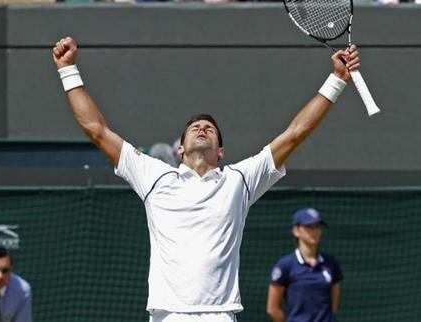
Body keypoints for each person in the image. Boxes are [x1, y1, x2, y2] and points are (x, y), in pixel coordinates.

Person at [52, 36, 359, 322]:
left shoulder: (239, 180)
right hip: (167, 314)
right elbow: (97, 130)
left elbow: (294, 134)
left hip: (220, 314)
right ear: (181, 147)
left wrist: (337, 80)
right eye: (196, 126)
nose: (203, 128)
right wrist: (68, 69)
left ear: (221, 151)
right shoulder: (155, 177)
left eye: (210, 128)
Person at [266, 208, 342, 322]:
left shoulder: (331, 263)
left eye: (317, 226)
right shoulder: (285, 265)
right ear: (296, 230)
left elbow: (333, 306)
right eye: (309, 227)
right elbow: (272, 309)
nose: (314, 231)